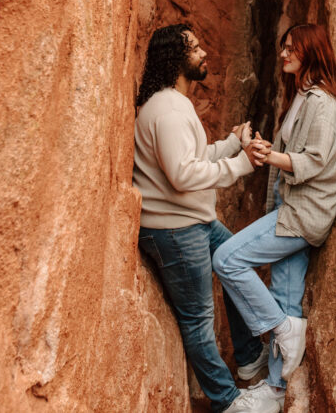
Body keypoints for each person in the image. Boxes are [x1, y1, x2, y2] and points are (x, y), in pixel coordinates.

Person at [133, 23, 272, 413]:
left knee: (235, 262)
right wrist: (241, 165)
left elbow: (190, 161)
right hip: (175, 229)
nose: (203, 52)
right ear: (176, 58)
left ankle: (247, 358)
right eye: (194, 47)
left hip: (192, 221)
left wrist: (230, 143)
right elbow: (182, 175)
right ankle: (228, 402)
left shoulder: (171, 103)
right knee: (198, 320)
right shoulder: (168, 110)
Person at [213, 24, 336, 412]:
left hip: (302, 214)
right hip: (288, 209)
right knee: (286, 298)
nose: (284, 53)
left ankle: (280, 330)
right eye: (284, 47)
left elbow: (317, 160)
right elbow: (297, 154)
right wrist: (265, 149)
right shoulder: (302, 99)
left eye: (292, 48)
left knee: (226, 259)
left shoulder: (322, 103)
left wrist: (268, 156)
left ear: (311, 51)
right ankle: (275, 391)